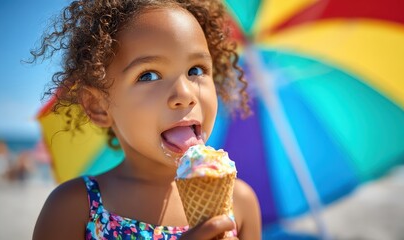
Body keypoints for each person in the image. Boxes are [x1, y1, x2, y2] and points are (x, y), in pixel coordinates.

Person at [31, 0, 261, 239]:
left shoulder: (240, 203)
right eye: (148, 75)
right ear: (98, 106)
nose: (185, 94)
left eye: (196, 70)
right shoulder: (73, 208)